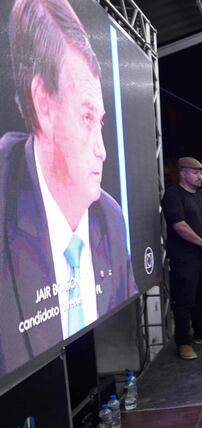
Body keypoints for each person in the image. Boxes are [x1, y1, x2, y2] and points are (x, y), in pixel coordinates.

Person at [0, 0, 138, 372]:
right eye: (86, 117)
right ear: (43, 103)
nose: (103, 151)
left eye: (101, 122)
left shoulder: (108, 218)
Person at [162, 157, 202, 360]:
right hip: (184, 258)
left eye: (201, 173)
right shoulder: (174, 195)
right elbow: (179, 225)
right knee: (184, 300)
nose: (200, 176)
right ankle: (183, 342)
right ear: (183, 172)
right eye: (195, 172)